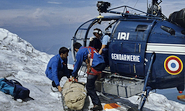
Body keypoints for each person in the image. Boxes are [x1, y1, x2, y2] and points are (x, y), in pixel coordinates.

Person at [70, 42, 106, 110]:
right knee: (91, 82)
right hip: (102, 64)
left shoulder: (80, 52)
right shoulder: (89, 48)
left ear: (75, 49)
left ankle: (97, 104)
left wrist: (73, 75)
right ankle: (92, 95)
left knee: (89, 86)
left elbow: (77, 64)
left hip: (96, 66)